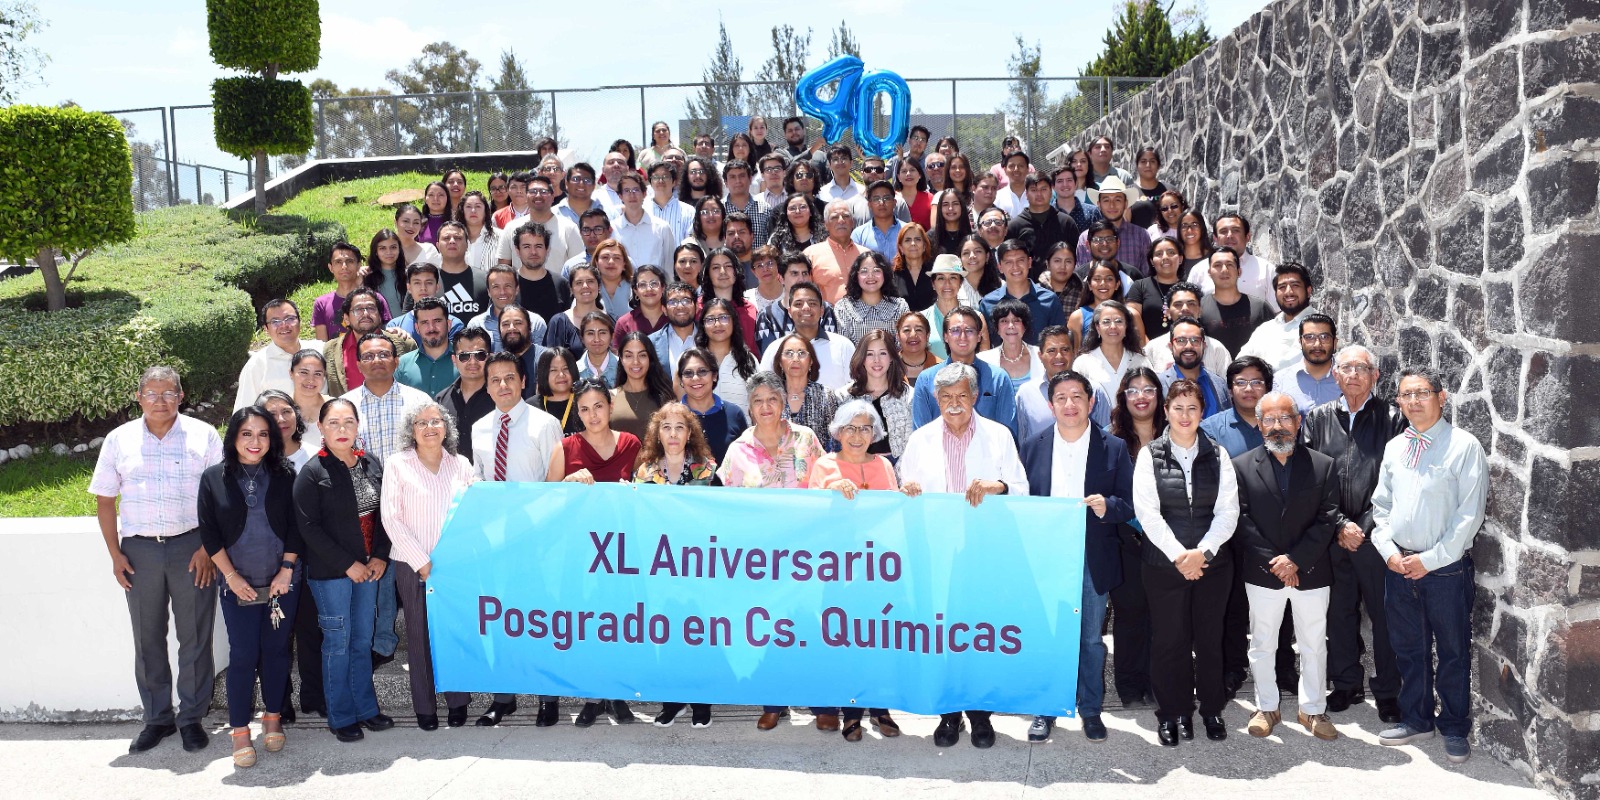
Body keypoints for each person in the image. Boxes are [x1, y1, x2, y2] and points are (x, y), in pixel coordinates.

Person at [92, 366, 223, 755]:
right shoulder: (119, 440)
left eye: (168, 393)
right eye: (152, 393)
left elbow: (220, 497)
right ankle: (158, 718)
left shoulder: (204, 435)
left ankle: (191, 719)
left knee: (194, 637)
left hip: (193, 549)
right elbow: (104, 500)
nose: (160, 400)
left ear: (181, 396)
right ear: (139, 397)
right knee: (147, 638)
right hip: (140, 552)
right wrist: (115, 554)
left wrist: (208, 548)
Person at [898, 362, 1029, 747]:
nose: (954, 404)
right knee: (942, 634)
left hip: (983, 552)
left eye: (961, 396)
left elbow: (1021, 489)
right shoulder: (920, 439)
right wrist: (907, 491)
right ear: (935, 399)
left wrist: (998, 485)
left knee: (979, 634)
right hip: (937, 551)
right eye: (946, 397)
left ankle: (981, 716)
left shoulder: (999, 435)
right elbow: (906, 490)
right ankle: (948, 715)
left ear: (974, 397)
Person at [1371, 367, 1488, 764]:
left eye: (1422, 393)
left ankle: (1455, 727)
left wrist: (1430, 560)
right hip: (1399, 566)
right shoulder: (1395, 447)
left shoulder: (1463, 446)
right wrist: (1387, 549)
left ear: (1442, 397)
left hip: (1445, 570)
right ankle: (1417, 719)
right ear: (1399, 403)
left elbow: (1468, 516)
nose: (1414, 401)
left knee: (1453, 652)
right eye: (1406, 395)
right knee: (1410, 649)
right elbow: (1381, 507)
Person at [1019, 370, 1135, 744]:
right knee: (1048, 636)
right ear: (1051, 405)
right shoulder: (1033, 445)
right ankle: (1046, 709)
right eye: (1061, 398)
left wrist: (1108, 506)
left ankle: (1090, 709)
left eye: (1077, 397)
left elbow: (1130, 504)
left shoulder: (1113, 447)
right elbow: (1021, 505)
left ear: (1091, 402)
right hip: (1046, 557)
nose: (1070, 405)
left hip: (1092, 554)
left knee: (1090, 639)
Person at [1131, 379, 1240, 747]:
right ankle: (1172, 713)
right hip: (1164, 566)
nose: (1185, 415)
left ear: (1202, 412)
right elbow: (1148, 514)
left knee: (1210, 640)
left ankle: (1211, 709)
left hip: (1212, 566)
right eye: (1177, 408)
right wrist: (1180, 555)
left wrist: (1202, 553)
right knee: (1169, 641)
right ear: (1166, 411)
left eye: (1192, 408)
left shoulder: (1219, 455)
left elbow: (1228, 512)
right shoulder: (1150, 455)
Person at [1301, 345, 1406, 724]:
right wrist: (1339, 524)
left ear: (1375, 375)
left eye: (1362, 368)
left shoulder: (1394, 420)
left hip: (1377, 537)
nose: (1353, 375)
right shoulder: (1316, 419)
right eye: (1346, 368)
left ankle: (1389, 692)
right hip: (1333, 535)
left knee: (1384, 616)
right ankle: (1346, 684)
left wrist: (1362, 526)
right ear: (1335, 375)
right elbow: (1310, 479)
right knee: (1339, 615)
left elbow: (1397, 483)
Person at [1233, 392, 1342, 742]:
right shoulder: (1241, 466)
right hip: (1263, 573)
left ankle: (1312, 710)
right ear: (1259, 424)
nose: (1277, 426)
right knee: (1262, 643)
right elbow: (1241, 519)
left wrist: (1296, 559)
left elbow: (1328, 518)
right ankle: (1267, 707)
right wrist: (1276, 562)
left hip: (1311, 571)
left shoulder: (1323, 465)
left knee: (1314, 643)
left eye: (1284, 418)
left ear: (1298, 422)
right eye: (1269, 419)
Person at [804, 399, 913, 742]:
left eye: (865, 427)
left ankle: (880, 707)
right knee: (844, 640)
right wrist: (828, 492)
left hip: (879, 570)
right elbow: (808, 514)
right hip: (837, 571)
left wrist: (909, 495)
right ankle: (851, 711)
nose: (857, 435)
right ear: (837, 431)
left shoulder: (884, 465)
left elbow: (895, 516)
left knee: (880, 639)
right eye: (850, 427)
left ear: (874, 433)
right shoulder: (824, 465)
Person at [199, 406, 300, 768]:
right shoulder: (213, 478)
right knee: (243, 656)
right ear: (233, 438)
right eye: (246, 434)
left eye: (262, 434)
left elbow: (294, 527)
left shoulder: (285, 475)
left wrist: (286, 570)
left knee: (275, 652)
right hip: (237, 585)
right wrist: (231, 576)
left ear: (272, 439)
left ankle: (272, 717)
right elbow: (209, 533)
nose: (254, 442)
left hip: (280, 584)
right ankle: (240, 730)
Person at [469, 352, 565, 726]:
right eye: (495, 380)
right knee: (500, 617)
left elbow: (556, 484)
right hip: (496, 540)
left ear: (523, 381)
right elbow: (476, 479)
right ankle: (503, 697)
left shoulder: (545, 424)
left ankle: (548, 698)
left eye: (510, 378)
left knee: (540, 618)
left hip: (538, 539)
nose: (503, 386)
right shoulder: (479, 427)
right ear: (487, 385)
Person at [293, 398, 393, 743]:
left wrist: (379, 556)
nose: (342, 430)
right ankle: (340, 716)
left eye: (348, 422)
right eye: (333, 423)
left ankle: (366, 710)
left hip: (369, 570)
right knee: (338, 641)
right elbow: (309, 528)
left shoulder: (370, 463)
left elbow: (384, 516)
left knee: (362, 640)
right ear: (320, 427)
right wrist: (347, 564)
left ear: (357, 426)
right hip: (332, 573)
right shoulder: (312, 472)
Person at [546, 379, 643, 726]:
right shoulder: (566, 447)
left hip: (621, 550)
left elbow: (649, 492)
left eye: (598, 406)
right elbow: (546, 499)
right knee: (588, 624)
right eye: (584, 408)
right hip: (580, 552)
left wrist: (634, 490)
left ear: (610, 406)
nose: (592, 414)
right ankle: (591, 697)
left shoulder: (631, 444)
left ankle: (618, 696)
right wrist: (567, 484)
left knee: (619, 623)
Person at [381, 402, 477, 731]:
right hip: (412, 565)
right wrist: (422, 562)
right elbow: (391, 519)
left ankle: (458, 700)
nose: (429, 427)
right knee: (419, 637)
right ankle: (425, 707)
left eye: (435, 420)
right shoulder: (397, 465)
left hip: (454, 569)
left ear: (446, 427)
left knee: (452, 633)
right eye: (421, 422)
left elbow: (478, 511)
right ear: (412, 431)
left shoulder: (461, 465)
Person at [1107, 369, 1164, 707]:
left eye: (1148, 389)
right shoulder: (1110, 440)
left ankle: (1160, 681)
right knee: (1129, 614)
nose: (1141, 396)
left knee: (1164, 615)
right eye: (1133, 390)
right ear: (1123, 397)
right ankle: (1129, 686)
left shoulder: (1178, 434)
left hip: (1169, 541)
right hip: (1125, 537)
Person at [912, 306, 1017, 434]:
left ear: (979, 336)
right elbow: (920, 434)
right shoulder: (927, 379)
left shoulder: (998, 378)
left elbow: (1009, 433)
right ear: (945, 336)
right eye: (955, 330)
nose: (963, 336)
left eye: (969, 330)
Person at [341, 333, 432, 464]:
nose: (377, 360)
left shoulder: (420, 401)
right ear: (359, 366)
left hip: (411, 482)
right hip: (361, 483)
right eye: (368, 356)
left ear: (396, 362)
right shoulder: (345, 405)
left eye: (384, 354)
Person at [757, 282, 855, 391]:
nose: (806, 308)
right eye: (798, 304)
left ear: (821, 310)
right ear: (789, 311)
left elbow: (854, 386)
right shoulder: (775, 349)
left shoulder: (843, 346)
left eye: (812, 303)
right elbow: (764, 389)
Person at [833, 329, 914, 459]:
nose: (877, 360)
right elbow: (836, 442)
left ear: (892, 357)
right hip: (853, 468)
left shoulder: (909, 396)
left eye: (883, 353)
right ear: (862, 358)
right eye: (870, 354)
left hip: (899, 470)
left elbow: (913, 444)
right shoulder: (843, 396)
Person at [322, 289, 415, 397]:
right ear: (346, 319)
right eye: (358, 309)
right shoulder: (330, 350)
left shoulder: (404, 344)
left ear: (380, 316)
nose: (365, 314)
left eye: (371, 308)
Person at [1185, 213, 1279, 311]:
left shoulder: (1267, 270)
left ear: (1247, 237)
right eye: (1223, 231)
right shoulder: (1199, 270)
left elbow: (1277, 311)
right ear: (1215, 238)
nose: (1229, 235)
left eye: (1236, 230)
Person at [236, 299, 317, 411]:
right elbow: (244, 411)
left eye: (290, 319)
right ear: (266, 329)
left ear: (299, 321)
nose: (284, 325)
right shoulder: (257, 365)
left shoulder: (320, 350)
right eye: (275, 321)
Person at [1239, 262, 1319, 374]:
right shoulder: (1265, 329)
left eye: (1295, 285)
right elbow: (1240, 363)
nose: (1288, 292)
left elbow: (1286, 367)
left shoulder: (1320, 326)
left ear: (1308, 291)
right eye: (1282, 287)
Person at [753, 252, 843, 351]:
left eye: (804, 273)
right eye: (794, 274)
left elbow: (832, 349)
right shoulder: (767, 317)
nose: (801, 279)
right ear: (781, 278)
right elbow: (769, 357)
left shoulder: (825, 310)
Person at [981, 240, 1065, 345]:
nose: (1015, 267)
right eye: (1009, 262)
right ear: (1000, 267)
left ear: (1029, 262)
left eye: (1020, 260)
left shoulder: (1049, 300)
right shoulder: (988, 303)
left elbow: (1060, 341)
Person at [676, 348, 750, 462]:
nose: (695, 378)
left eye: (702, 371)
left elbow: (747, 460)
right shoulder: (671, 417)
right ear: (681, 380)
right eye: (688, 373)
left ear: (714, 375)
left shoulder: (734, 414)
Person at [435, 327, 496, 462]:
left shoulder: (501, 398)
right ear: (454, 360)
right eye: (464, 356)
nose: (472, 362)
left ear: (490, 357)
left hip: (492, 480)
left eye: (479, 355)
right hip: (451, 479)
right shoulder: (440, 400)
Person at [1144, 283, 1232, 375]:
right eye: (1178, 304)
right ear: (1168, 312)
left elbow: (1226, 386)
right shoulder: (1152, 348)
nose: (1185, 309)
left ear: (1200, 311)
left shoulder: (1217, 349)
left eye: (1191, 304)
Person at [1198, 247, 1272, 356]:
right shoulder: (1199, 309)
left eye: (1230, 264)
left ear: (1239, 271)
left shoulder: (1260, 308)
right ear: (1209, 272)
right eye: (1217, 265)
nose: (1224, 270)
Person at [1006, 174, 1081, 279]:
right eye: (1034, 190)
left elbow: (1077, 257)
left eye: (1043, 189)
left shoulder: (1066, 222)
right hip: (1027, 288)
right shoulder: (1015, 226)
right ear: (1026, 194)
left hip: (1062, 286)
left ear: (1051, 192)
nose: (1039, 194)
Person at [1072, 300, 1148, 403]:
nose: (1113, 326)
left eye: (1119, 321)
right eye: (1106, 321)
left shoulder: (1140, 361)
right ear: (1097, 328)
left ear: (1126, 326)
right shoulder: (1083, 363)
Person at [314, 242, 392, 341]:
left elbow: (387, 335)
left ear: (358, 265)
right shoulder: (321, 304)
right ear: (331, 267)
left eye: (349, 261)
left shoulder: (375, 298)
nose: (344, 266)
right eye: (338, 262)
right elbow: (322, 345)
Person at [1157, 317, 1231, 418]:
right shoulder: (1159, 386)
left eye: (1195, 340)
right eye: (1181, 340)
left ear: (1204, 346)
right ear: (1171, 346)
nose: (1188, 346)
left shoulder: (1219, 384)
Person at [1199, 356, 1272, 458]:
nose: (1248, 389)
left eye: (1256, 382)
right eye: (1241, 383)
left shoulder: (1282, 424)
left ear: (1267, 388)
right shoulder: (1211, 429)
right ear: (1230, 391)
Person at [834, 250, 910, 345]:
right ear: (856, 276)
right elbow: (843, 347)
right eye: (864, 271)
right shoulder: (843, 307)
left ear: (885, 274)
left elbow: (903, 345)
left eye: (876, 270)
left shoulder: (899, 306)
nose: (870, 276)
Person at [1075, 178, 1151, 271]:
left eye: (1117, 200)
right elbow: (1082, 276)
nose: (1112, 205)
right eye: (1106, 200)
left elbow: (1146, 276)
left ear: (1125, 203)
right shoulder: (1085, 238)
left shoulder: (1141, 236)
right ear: (1099, 204)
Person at [610, 331, 675, 439]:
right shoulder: (610, 397)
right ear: (621, 359)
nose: (636, 362)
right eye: (629, 355)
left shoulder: (665, 397)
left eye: (642, 355)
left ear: (650, 359)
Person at [1274, 313, 1342, 413]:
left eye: (1324, 337)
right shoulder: (1281, 381)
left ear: (1335, 342)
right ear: (1300, 342)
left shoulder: (1349, 379)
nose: (1317, 344)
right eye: (1310, 337)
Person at [608, 172, 677, 270]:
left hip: (655, 284)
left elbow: (669, 264)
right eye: (627, 190)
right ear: (620, 196)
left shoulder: (662, 227)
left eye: (636, 190)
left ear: (644, 194)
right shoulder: (613, 228)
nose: (632, 195)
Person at [510, 222, 572, 326]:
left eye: (538, 246)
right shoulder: (508, 284)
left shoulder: (561, 284)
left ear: (547, 250)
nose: (533, 252)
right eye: (526, 246)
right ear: (517, 250)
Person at [394, 297, 458, 396]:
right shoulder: (402, 364)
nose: (431, 328)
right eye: (424, 323)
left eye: (437, 321)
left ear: (449, 324)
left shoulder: (465, 360)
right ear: (417, 328)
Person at [1125, 237, 1185, 343]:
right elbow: (1131, 317)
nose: (1165, 257)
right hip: (1146, 351)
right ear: (1152, 261)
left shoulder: (1188, 289)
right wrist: (1148, 348)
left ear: (1180, 259)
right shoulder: (1140, 286)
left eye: (1171, 252)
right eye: (1159, 254)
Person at [978, 298, 1044, 393]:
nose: (1010, 326)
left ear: (1024, 326)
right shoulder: (983, 361)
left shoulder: (1041, 356)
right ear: (997, 328)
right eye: (1004, 321)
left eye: (1016, 320)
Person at [698, 246, 760, 347]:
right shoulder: (697, 308)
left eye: (728, 266)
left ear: (736, 271)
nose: (723, 271)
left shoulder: (749, 310)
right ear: (708, 274)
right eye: (716, 267)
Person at [803, 200, 862, 304]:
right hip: (826, 317)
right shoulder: (811, 254)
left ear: (852, 222)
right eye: (834, 217)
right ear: (826, 225)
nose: (841, 220)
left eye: (846, 216)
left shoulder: (866, 255)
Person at [1066, 261, 1128, 354]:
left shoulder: (1130, 314)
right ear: (1090, 285)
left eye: (1109, 279)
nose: (1103, 283)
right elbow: (1074, 353)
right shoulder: (1078, 317)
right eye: (1097, 279)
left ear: (1117, 284)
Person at [544, 263, 606, 354]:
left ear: (599, 286)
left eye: (590, 281)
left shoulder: (609, 321)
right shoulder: (559, 322)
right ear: (571, 289)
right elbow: (549, 360)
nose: (585, 286)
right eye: (579, 283)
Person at [464, 264, 524, 352]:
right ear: (488, 292)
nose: (502, 292)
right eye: (496, 287)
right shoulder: (476, 324)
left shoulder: (535, 322)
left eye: (507, 286)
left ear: (517, 289)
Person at [611, 264, 670, 346]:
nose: (649, 289)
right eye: (642, 285)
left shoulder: (673, 318)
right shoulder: (624, 323)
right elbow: (619, 356)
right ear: (635, 291)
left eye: (654, 283)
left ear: (663, 287)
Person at [530, 348, 585, 434]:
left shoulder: (585, 403)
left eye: (566, 368)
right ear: (543, 373)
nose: (561, 375)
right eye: (553, 370)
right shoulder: (530, 408)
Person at [850, 180, 904, 260]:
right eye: (876, 199)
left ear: (894, 202)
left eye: (886, 198)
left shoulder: (907, 230)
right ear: (869, 204)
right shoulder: (859, 235)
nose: (881, 202)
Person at [290, 350, 331, 455]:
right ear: (291, 374)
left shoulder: (335, 408)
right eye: (304, 372)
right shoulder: (280, 411)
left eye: (317, 374)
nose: (310, 380)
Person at [724, 159, 770, 247]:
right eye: (732, 177)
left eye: (742, 176)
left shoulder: (764, 208)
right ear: (726, 182)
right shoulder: (719, 209)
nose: (738, 181)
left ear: (750, 179)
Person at [364, 229, 409, 315]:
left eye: (393, 247)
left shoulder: (409, 276)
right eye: (382, 248)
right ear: (376, 252)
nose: (389, 252)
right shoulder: (367, 278)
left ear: (399, 249)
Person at [646, 162, 694, 241]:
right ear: (650, 182)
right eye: (656, 177)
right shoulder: (642, 210)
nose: (660, 181)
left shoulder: (688, 211)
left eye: (665, 177)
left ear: (674, 182)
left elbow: (690, 241)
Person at [590, 237, 635, 320]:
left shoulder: (636, 288)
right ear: (596, 262)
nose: (611, 262)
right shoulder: (587, 288)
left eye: (617, 258)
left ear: (624, 263)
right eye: (605, 257)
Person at [459, 191, 500, 278]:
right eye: (468, 207)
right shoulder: (454, 238)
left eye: (478, 206)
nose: (473, 210)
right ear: (462, 210)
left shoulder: (500, 237)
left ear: (485, 210)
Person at [1051, 165, 1103, 232]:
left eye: (1069, 180)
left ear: (1076, 184)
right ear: (1053, 186)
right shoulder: (1047, 213)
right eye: (1060, 181)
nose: (1065, 184)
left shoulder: (1092, 212)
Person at [575, 311, 619, 386]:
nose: (597, 339)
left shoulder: (623, 367)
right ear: (582, 338)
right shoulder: (574, 371)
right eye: (590, 333)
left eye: (602, 333)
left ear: (612, 336)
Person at [896, 311, 941, 383]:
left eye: (919, 330)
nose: (913, 335)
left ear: (927, 335)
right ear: (898, 336)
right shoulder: (888, 367)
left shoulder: (942, 368)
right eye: (907, 330)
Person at [395, 204, 443, 272]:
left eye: (416, 223)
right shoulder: (386, 249)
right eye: (406, 221)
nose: (411, 226)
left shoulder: (429, 250)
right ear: (396, 222)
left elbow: (437, 278)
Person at [932, 188, 974, 258]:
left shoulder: (972, 236)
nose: (950, 208)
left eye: (955, 204)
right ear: (940, 208)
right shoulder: (930, 238)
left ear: (962, 207)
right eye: (945, 204)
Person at [744, 245, 786, 313]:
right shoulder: (747, 298)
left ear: (778, 266)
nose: (765, 269)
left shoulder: (791, 294)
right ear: (753, 271)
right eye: (759, 266)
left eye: (770, 263)